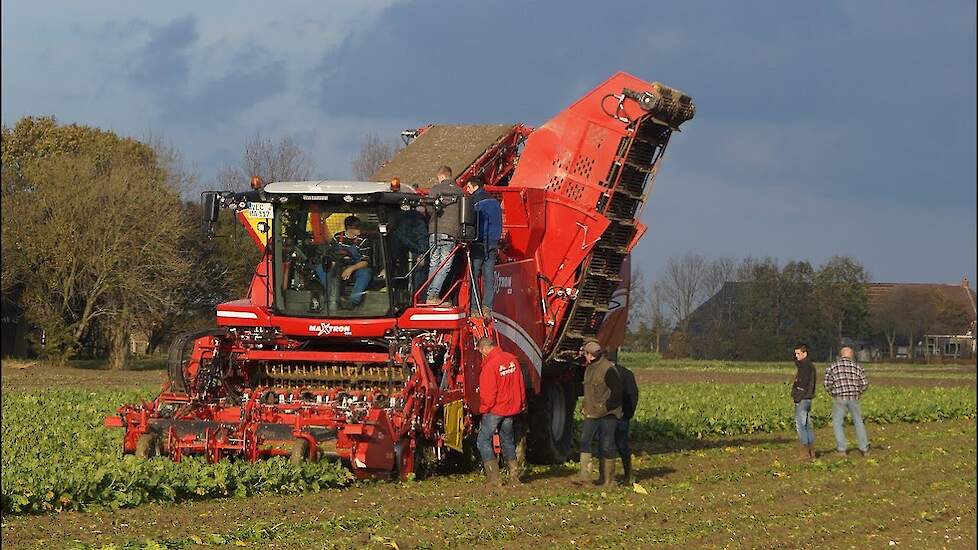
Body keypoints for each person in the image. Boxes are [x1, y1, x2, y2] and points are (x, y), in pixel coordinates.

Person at [476, 337, 527, 487]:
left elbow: (488, 394)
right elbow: (520, 385)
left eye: (481, 352)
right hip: (510, 409)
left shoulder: (489, 366)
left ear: (485, 349)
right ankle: (514, 476)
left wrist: (483, 410)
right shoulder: (512, 360)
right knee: (507, 440)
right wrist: (522, 403)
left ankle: (494, 478)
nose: (482, 354)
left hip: (495, 410)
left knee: (483, 440)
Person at [577, 340, 623, 488]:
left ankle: (609, 480)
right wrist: (585, 406)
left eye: (586, 353)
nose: (585, 356)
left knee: (606, 445)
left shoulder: (608, 369)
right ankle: (585, 477)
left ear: (591, 355)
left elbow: (617, 392)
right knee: (585, 441)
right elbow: (589, 391)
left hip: (608, 414)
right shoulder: (589, 369)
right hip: (592, 413)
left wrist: (605, 407)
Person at [465, 176, 502, 316]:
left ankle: (474, 308)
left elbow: (471, 222)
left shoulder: (475, 201)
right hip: (493, 242)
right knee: (489, 277)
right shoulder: (495, 201)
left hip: (479, 242)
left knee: (473, 276)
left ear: (474, 186)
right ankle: (487, 307)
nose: (467, 191)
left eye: (468, 187)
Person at [824, 346, 870, 456]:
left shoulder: (833, 367)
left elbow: (827, 383)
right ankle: (864, 448)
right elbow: (865, 383)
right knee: (858, 422)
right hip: (854, 397)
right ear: (852, 355)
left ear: (841, 355)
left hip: (840, 397)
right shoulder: (857, 367)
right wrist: (858, 392)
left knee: (838, 423)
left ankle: (842, 449)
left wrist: (833, 393)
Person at [426, 166, 463, 303]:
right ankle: (433, 295)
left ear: (441, 176)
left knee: (434, 263)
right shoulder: (460, 192)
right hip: (451, 232)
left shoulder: (435, 189)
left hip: (434, 231)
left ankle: (429, 294)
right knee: (445, 265)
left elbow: (429, 209)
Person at [326, 215, 373, 309]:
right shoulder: (337, 237)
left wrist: (351, 269)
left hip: (356, 267)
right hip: (338, 266)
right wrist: (332, 265)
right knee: (322, 270)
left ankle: (353, 301)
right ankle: (332, 298)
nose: (360, 229)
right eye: (358, 227)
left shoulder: (363, 241)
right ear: (349, 227)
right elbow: (329, 254)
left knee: (366, 273)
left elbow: (366, 262)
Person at [614, 361, 639, 485]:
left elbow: (632, 395)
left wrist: (627, 414)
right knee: (608, 446)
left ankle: (628, 475)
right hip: (609, 416)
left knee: (621, 445)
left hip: (620, 416)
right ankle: (608, 477)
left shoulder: (625, 374)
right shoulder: (602, 373)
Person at [791, 343, 817, 460]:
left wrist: (797, 396)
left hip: (802, 398)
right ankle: (811, 451)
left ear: (805, 353)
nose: (796, 356)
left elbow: (803, 384)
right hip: (808, 398)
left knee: (801, 425)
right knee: (807, 425)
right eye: (795, 353)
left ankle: (805, 452)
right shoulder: (809, 365)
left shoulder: (805, 366)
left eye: (798, 353)